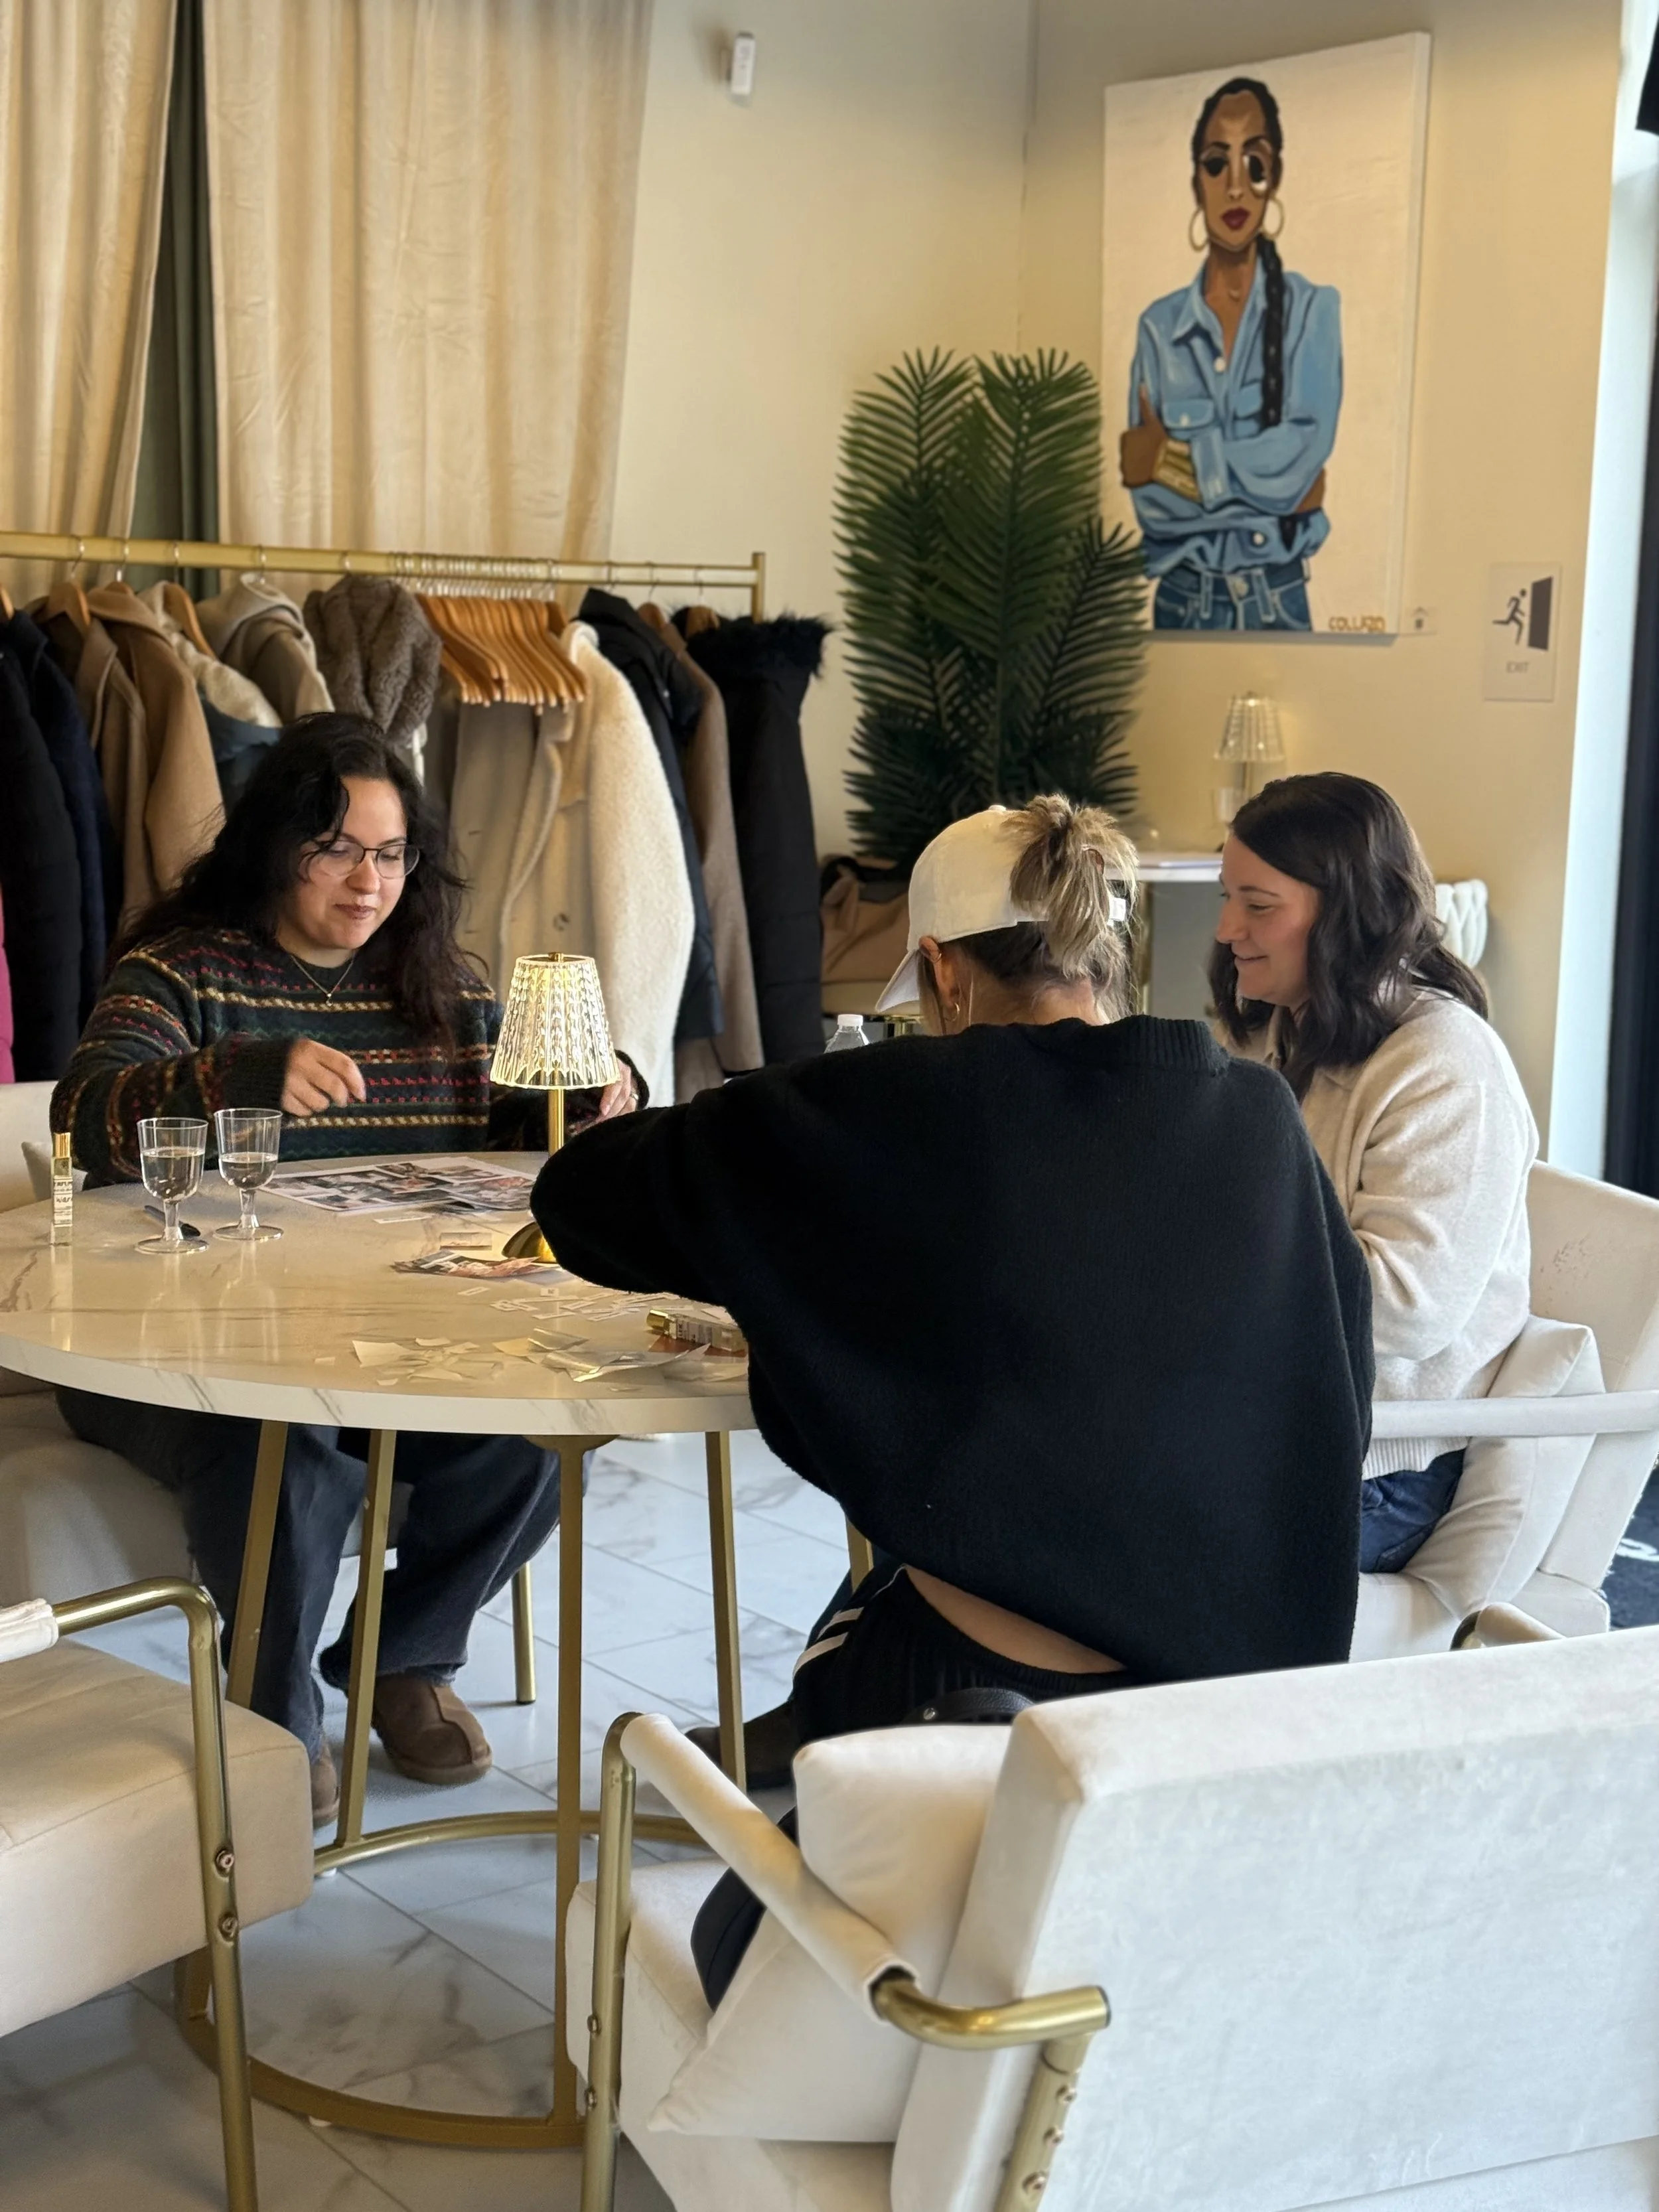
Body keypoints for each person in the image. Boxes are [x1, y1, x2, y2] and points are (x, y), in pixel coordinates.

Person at [536, 794, 1373, 1754]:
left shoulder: (899, 1103)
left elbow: (583, 1201)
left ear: (943, 970)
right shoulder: (1261, 1118)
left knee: (864, 1622)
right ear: (1106, 954)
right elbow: (1345, 1359)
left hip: (977, 1701)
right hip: (1225, 1725)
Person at [50, 713, 638, 1826]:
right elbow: (82, 1120)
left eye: (390, 852)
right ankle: (274, 1715)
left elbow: (523, 1121)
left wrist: (602, 1088)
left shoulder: (439, 985)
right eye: (338, 850)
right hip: (170, 1352)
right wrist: (234, 1075)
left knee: (544, 1434)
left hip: (379, 1339)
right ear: (278, 845)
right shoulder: (180, 971)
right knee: (287, 1448)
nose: (368, 881)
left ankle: (400, 1658)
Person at [1212, 773, 1537, 1575]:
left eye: (1258, 906)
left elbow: (1402, 1310)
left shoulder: (1446, 1067)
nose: (1226, 930)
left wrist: (1205, 1245)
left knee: (1082, 1548)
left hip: (1376, 1472)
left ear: (1346, 913)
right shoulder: (1285, 1033)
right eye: (1229, 899)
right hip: (1264, 1425)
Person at [1120, 75, 1342, 631]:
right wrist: (1273, 491)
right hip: (1180, 605)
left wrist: (1170, 462)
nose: (1236, 187)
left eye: (1256, 163)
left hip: (1279, 602)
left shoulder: (1313, 311)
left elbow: (1300, 466)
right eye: (1217, 163)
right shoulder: (1157, 327)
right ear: (1197, 183)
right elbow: (1151, 508)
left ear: (1276, 178)